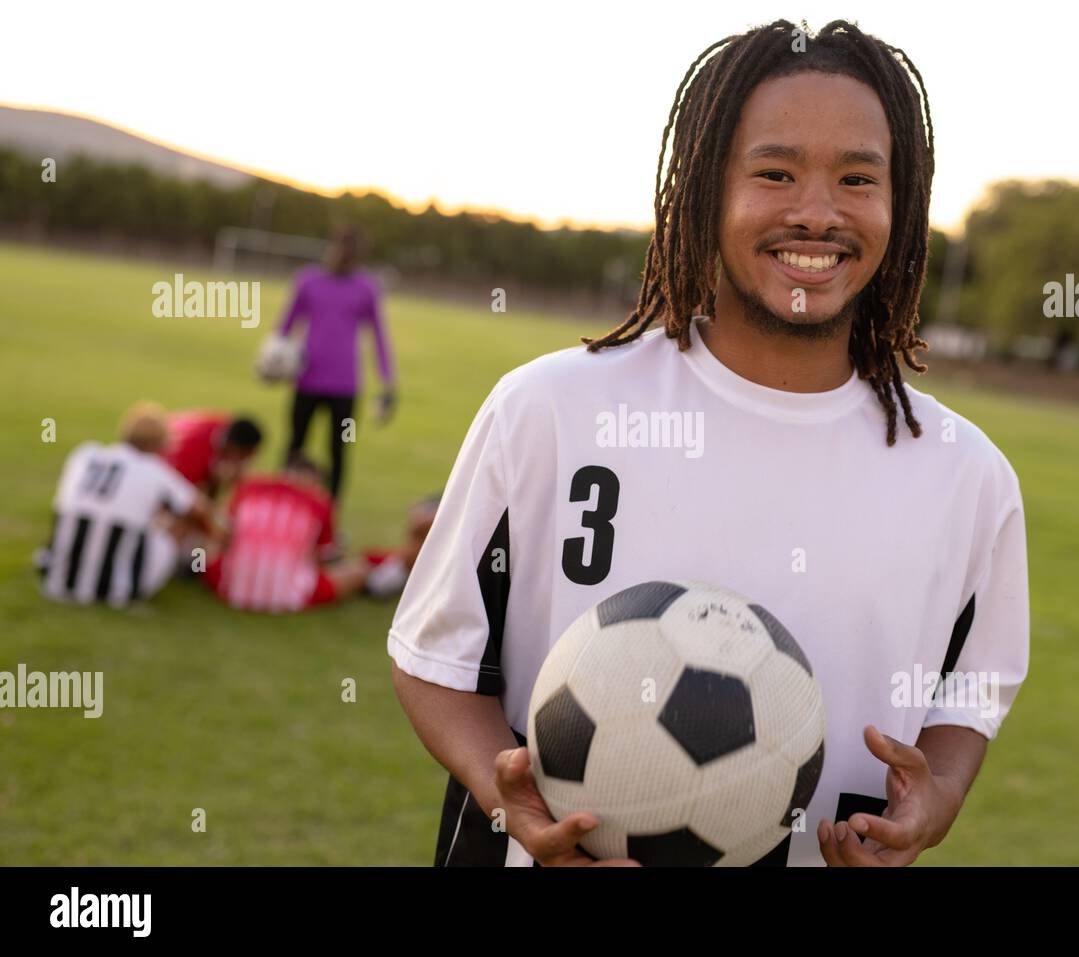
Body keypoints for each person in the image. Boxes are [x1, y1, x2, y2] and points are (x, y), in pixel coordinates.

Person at [389, 21, 1030, 868]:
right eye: (775, 172)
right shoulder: (552, 407)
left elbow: (969, 693)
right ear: (705, 190)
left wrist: (937, 794)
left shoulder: (964, 473)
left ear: (899, 205)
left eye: (857, 178)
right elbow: (437, 656)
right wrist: (502, 788)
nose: (817, 212)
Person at [37, 402, 218, 607]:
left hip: (54, 582)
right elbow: (200, 510)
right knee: (176, 527)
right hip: (117, 594)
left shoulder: (85, 454)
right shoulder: (156, 471)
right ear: (159, 444)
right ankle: (181, 574)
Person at [278, 224, 396, 502]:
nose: (343, 258)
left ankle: (330, 513)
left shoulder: (366, 287)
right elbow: (287, 323)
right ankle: (282, 504)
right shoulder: (308, 280)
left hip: (345, 386)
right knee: (295, 446)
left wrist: (387, 382)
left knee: (340, 450)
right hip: (306, 379)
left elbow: (379, 336)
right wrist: (274, 356)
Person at [203, 455, 370, 613]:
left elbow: (222, 534)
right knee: (359, 570)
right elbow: (322, 559)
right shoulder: (320, 502)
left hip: (228, 587)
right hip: (290, 596)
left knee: (209, 545)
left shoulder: (249, 486)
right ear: (314, 481)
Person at [162, 408, 263, 499]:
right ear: (234, 449)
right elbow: (178, 498)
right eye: (244, 456)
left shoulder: (223, 426)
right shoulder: (191, 459)